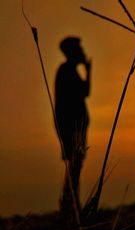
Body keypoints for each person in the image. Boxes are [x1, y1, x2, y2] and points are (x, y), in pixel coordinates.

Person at [55, 36, 91, 211]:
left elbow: (85, 92)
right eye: (79, 48)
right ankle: (70, 207)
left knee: (76, 165)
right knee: (74, 165)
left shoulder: (71, 71)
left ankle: (71, 206)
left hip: (77, 128)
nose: (83, 51)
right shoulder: (66, 71)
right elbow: (63, 105)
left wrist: (88, 71)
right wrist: (64, 133)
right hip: (72, 129)